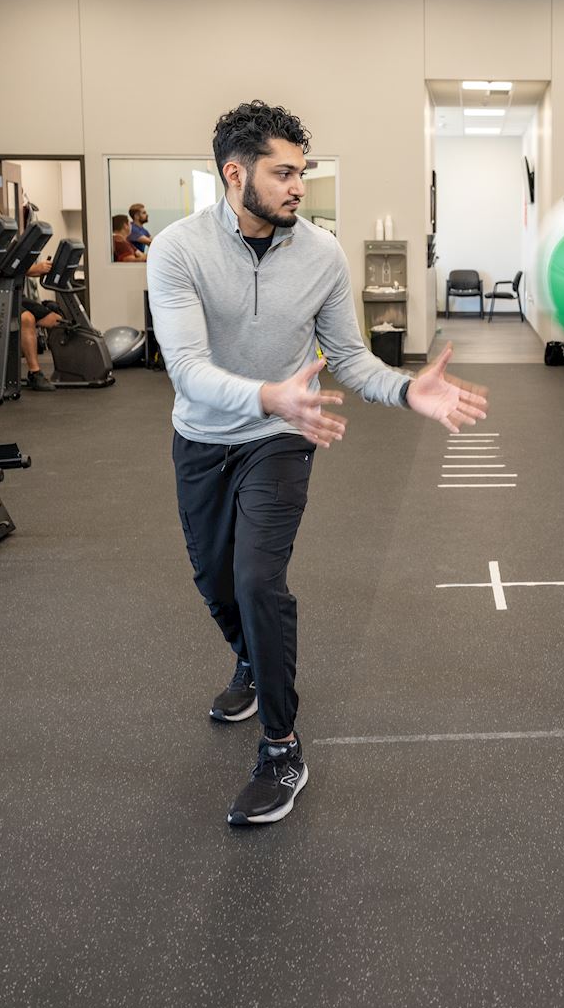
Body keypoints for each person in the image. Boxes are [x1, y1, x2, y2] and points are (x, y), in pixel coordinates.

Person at [150, 100, 489, 827]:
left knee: (256, 579)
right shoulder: (177, 250)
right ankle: (249, 659)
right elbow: (184, 367)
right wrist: (264, 394)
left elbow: (354, 359)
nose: (298, 186)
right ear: (234, 174)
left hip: (284, 434)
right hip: (205, 436)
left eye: (302, 172)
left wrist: (406, 389)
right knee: (215, 582)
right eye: (283, 173)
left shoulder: (323, 253)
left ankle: (280, 747)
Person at [0, 206, 62, 392]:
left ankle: (65, 369)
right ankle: (35, 372)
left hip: (13, 294)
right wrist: (35, 269)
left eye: (0, 221)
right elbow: (3, 268)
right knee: (27, 319)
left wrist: (39, 269)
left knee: (55, 320)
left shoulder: (9, 245)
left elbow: (18, 268)